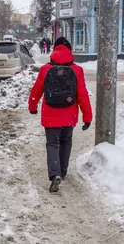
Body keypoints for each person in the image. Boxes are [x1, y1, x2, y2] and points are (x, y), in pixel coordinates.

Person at [28, 36, 92, 193]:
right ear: (69, 50)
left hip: (50, 114)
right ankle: (62, 172)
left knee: (52, 143)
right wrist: (87, 117)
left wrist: (32, 106)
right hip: (69, 115)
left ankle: (55, 174)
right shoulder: (77, 70)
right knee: (66, 142)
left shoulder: (45, 69)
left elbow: (36, 90)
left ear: (54, 50)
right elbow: (82, 95)